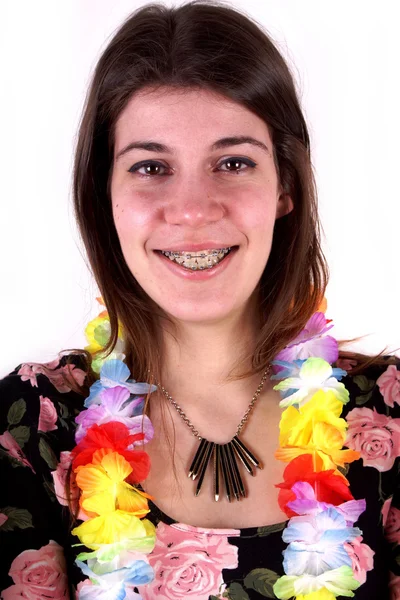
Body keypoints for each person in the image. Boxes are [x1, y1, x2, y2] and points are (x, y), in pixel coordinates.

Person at [1, 1, 399, 599]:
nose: (191, 209)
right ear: (104, 194)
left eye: (233, 162)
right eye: (151, 166)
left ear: (285, 187)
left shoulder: (388, 423)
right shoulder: (29, 429)